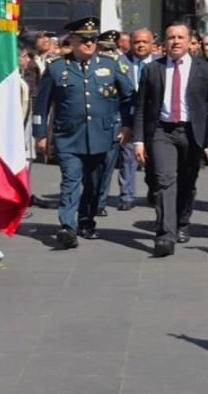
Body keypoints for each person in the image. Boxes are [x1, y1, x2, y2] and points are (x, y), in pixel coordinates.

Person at [33, 16, 135, 248]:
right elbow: (42, 104)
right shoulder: (57, 67)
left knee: (94, 183)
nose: (89, 43)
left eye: (93, 39)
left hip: (103, 136)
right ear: (73, 40)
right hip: (69, 137)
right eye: (84, 40)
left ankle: (86, 221)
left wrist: (127, 125)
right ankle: (68, 225)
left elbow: (129, 96)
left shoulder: (109, 65)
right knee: (70, 180)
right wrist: (40, 134)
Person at [133, 22, 208, 257]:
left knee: (187, 183)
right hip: (162, 132)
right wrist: (139, 140)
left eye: (180, 37)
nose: (175, 41)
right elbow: (141, 107)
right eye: (171, 37)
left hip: (192, 134)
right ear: (164, 42)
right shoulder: (152, 69)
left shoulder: (205, 69)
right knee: (164, 180)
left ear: (189, 41)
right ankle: (165, 235)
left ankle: (182, 222)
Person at [118, 28, 157, 211]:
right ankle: (127, 195)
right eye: (136, 42)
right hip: (129, 117)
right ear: (130, 43)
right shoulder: (119, 62)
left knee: (155, 158)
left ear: (152, 44)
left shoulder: (161, 63)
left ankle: (155, 191)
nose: (140, 45)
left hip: (155, 120)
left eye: (144, 42)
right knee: (128, 157)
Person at [95, 29, 124, 216]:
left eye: (112, 49)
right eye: (105, 49)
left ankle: (100, 202)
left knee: (107, 168)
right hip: (93, 124)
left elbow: (127, 96)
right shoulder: (92, 66)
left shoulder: (119, 67)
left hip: (113, 123)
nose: (109, 53)